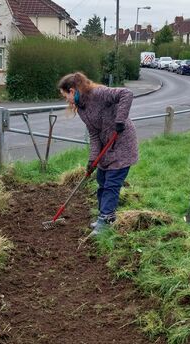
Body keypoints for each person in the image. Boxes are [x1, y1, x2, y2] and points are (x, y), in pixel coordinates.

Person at [58, 72, 138, 235]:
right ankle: (106, 216)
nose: (66, 99)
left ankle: (106, 219)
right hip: (105, 146)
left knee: (111, 184)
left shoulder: (98, 93)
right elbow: (94, 134)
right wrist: (92, 159)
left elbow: (126, 94)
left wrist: (120, 120)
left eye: (65, 95)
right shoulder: (81, 109)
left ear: (72, 91)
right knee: (102, 181)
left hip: (122, 142)